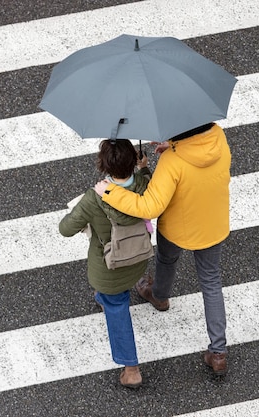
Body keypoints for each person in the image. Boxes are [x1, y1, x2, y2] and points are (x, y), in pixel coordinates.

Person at [94, 122, 231, 376]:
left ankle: (159, 294)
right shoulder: (218, 138)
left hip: (179, 225)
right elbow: (197, 152)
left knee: (167, 259)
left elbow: (150, 207)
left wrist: (111, 192)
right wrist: (176, 146)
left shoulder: (173, 161)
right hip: (213, 222)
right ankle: (219, 351)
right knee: (211, 282)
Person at [59, 139, 151, 388]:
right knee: (118, 290)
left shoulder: (94, 197)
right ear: (133, 161)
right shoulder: (145, 185)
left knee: (116, 304)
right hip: (138, 256)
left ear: (103, 165)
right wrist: (144, 168)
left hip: (110, 266)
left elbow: (65, 229)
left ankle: (131, 368)